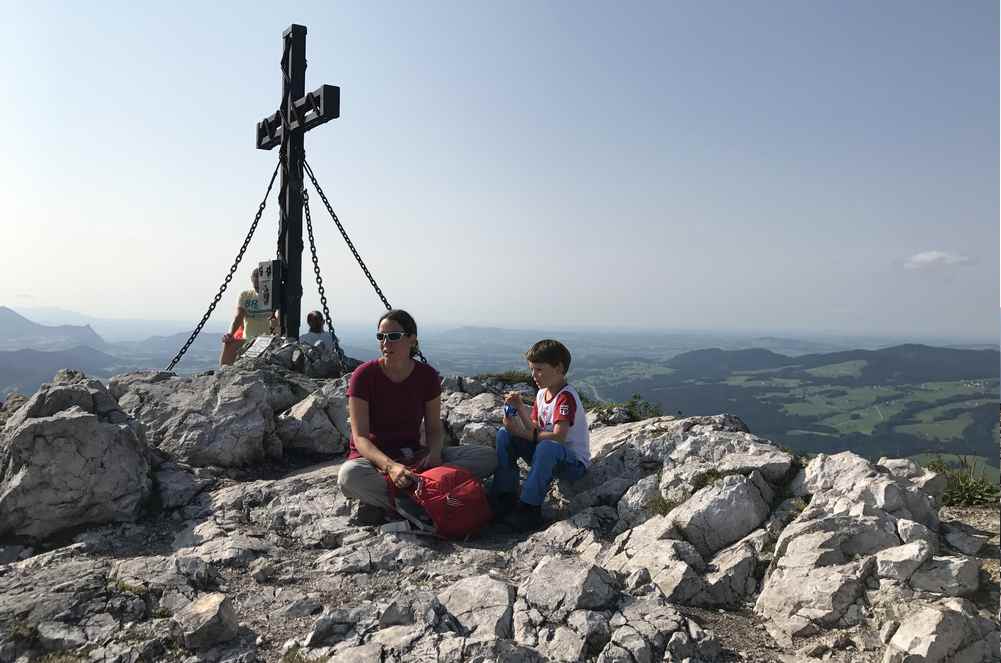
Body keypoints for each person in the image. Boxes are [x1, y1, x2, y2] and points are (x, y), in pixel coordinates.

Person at [338, 309, 497, 523]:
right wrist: (391, 467)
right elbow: (360, 438)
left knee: (487, 456)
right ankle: (424, 500)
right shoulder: (364, 376)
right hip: (374, 461)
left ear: (412, 340)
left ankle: (409, 498)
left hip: (415, 457)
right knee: (349, 476)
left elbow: (433, 427)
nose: (386, 343)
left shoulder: (427, 376)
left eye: (393, 336)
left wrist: (434, 454)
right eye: (381, 337)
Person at [491, 339, 590, 531]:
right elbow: (535, 427)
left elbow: (558, 437)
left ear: (559, 368)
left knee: (547, 446)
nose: (533, 375)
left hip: (572, 464)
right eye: (531, 369)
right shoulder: (541, 394)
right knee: (505, 434)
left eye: (539, 369)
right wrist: (517, 411)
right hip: (547, 455)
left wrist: (521, 432)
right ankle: (505, 494)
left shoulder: (565, 397)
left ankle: (529, 508)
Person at [220, 268, 277, 365]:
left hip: (267, 340)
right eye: (255, 282)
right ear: (252, 280)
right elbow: (238, 317)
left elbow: (278, 316)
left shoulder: (274, 296)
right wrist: (230, 334)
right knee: (228, 344)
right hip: (248, 340)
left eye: (259, 283)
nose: (257, 286)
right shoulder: (246, 295)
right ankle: (223, 372)